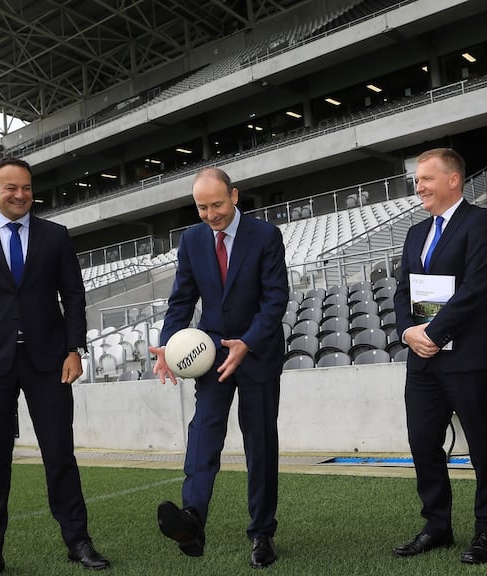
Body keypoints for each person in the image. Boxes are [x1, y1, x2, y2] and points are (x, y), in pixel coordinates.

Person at [0, 157, 110, 576]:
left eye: (27, 188)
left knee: (60, 455)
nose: (21, 195)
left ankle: (78, 541)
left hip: (49, 362)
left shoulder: (55, 236)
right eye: (11, 188)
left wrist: (75, 349)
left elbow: (73, 296)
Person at [150, 167, 288, 568]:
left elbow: (275, 299)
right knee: (203, 433)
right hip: (210, 354)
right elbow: (181, 300)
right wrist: (168, 345)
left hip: (256, 352)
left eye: (217, 205)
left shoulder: (265, 236)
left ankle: (262, 533)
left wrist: (248, 341)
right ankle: (192, 520)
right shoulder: (192, 240)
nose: (211, 215)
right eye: (202, 207)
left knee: (259, 443)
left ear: (235, 196)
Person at [391, 148, 487, 565]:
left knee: (482, 445)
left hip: (468, 356)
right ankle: (436, 526)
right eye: (417, 181)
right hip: (423, 358)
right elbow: (403, 291)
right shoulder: (414, 233)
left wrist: (435, 333)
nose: (418, 187)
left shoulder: (482, 223)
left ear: (453, 180)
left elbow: (476, 289)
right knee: (423, 442)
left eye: (425, 179)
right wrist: (409, 332)